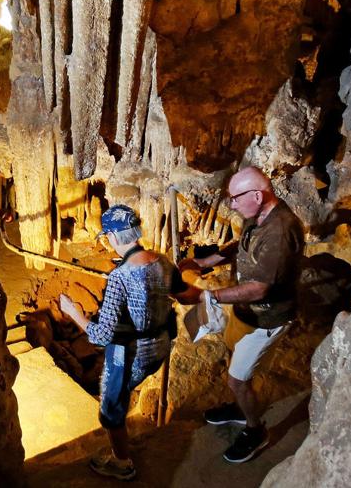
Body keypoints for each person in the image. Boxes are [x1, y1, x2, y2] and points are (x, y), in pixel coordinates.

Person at [59, 205, 201, 481]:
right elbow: (183, 294)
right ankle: (122, 439)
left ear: (112, 236)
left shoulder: (119, 278)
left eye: (106, 236)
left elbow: (100, 336)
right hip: (159, 346)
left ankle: (122, 462)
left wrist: (73, 312)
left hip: (129, 353)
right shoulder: (162, 262)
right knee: (123, 393)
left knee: (111, 408)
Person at [179, 166, 305, 464]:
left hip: (268, 318)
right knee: (234, 352)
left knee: (237, 380)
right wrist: (204, 261)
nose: (232, 205)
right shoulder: (257, 215)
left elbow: (260, 288)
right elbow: (242, 246)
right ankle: (239, 408)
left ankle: (255, 428)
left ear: (258, 195)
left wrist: (208, 295)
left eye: (235, 199)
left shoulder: (281, 231)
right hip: (246, 313)